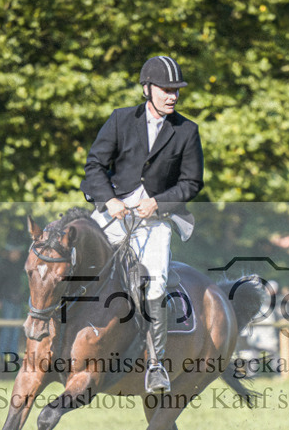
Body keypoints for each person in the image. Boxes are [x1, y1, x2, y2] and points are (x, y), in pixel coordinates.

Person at [81, 55, 204, 393]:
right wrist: (110, 201)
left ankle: (155, 364)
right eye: (166, 90)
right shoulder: (120, 121)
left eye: (176, 91)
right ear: (148, 89)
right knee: (77, 262)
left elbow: (192, 182)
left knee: (156, 283)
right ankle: (56, 337)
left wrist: (158, 203)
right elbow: (94, 167)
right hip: (113, 212)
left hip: (155, 221)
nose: (173, 96)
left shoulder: (187, 130)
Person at [0, 240, 26, 361]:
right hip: (7, 301)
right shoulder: (2, 266)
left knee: (16, 329)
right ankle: (2, 355)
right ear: (11, 253)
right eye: (16, 252)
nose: (18, 255)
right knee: (6, 328)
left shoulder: (18, 266)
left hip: (17, 301)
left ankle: (12, 355)